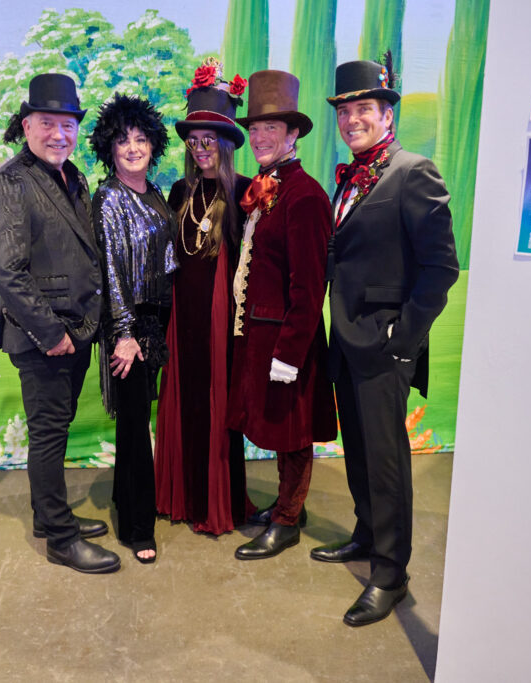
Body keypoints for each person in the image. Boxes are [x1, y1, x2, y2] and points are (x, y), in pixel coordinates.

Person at [318, 58, 459, 625]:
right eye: (345, 111)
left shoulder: (412, 171)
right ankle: (366, 533)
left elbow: (441, 268)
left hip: (384, 344)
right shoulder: (352, 175)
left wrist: (405, 338)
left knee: (386, 460)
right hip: (347, 339)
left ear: (386, 112)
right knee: (357, 449)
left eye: (363, 109)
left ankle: (391, 572)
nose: (352, 120)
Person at [0, 73, 120, 575]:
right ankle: (60, 539)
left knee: (56, 430)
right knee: (47, 435)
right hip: (45, 338)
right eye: (47, 123)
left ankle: (48, 516)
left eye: (67, 123)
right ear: (26, 126)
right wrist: (52, 333)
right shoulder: (11, 184)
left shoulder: (72, 176)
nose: (59, 133)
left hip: (74, 332)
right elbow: (7, 271)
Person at [227, 70, 337, 560]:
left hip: (287, 340)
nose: (259, 138)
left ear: (292, 135)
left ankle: (289, 518)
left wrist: (290, 354)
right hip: (259, 336)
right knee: (275, 427)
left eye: (270, 129)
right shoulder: (266, 190)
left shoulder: (306, 195)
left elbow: (310, 287)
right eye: (254, 130)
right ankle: (285, 505)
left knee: (292, 432)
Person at [155, 58, 255, 535]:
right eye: (192, 141)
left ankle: (219, 501)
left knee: (217, 409)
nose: (199, 149)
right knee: (185, 403)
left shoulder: (246, 194)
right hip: (184, 316)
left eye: (208, 140)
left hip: (222, 321)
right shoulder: (179, 191)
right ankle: (184, 495)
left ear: (227, 144)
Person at [90, 93, 177, 564]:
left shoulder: (157, 193)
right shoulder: (108, 198)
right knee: (134, 429)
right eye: (123, 141)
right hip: (131, 327)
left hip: (158, 323)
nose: (132, 148)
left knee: (140, 422)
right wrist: (122, 333)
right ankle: (139, 529)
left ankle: (128, 504)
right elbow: (109, 271)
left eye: (141, 139)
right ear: (110, 147)